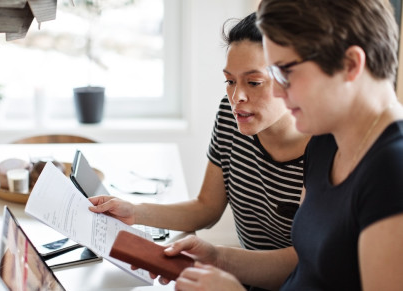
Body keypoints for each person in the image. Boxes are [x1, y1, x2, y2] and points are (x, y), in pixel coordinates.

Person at [154, 0, 403, 290]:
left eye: (286, 72)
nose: (279, 91)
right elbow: (303, 264)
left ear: (350, 65)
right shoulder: (324, 139)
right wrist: (216, 257)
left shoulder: (393, 169)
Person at [89, 12, 310, 254]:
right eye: (230, 81)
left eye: (254, 82)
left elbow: (304, 262)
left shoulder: (322, 146)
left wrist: (217, 259)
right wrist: (134, 211)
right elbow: (206, 208)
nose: (237, 98)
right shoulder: (231, 114)